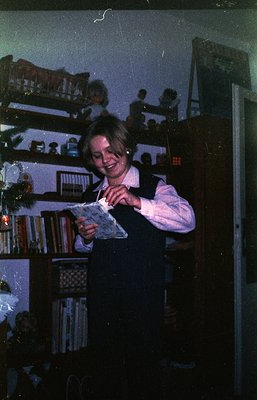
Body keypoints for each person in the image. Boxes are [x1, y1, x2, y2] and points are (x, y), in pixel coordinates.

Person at [74, 115, 195, 400]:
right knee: (105, 369)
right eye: (97, 155)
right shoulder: (92, 193)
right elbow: (84, 247)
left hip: (143, 293)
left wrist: (137, 201)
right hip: (103, 292)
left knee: (145, 369)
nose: (106, 160)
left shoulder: (155, 186)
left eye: (111, 149)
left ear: (126, 146)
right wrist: (87, 236)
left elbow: (188, 220)